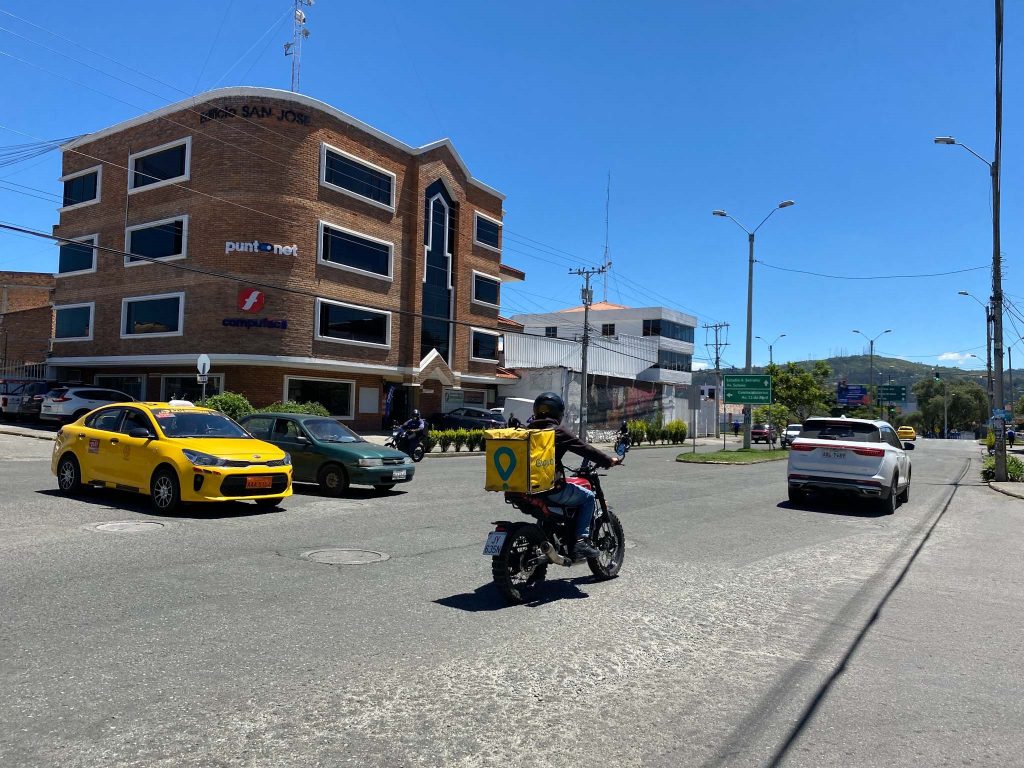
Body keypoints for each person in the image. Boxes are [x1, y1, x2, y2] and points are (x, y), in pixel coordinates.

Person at [528, 392, 621, 560]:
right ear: (558, 413)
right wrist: (608, 460)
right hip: (549, 489)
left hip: (523, 489)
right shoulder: (557, 432)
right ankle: (580, 542)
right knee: (588, 497)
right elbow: (585, 449)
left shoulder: (526, 430)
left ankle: (549, 535)